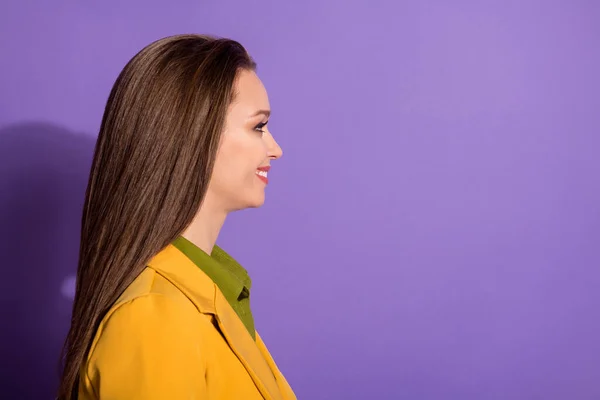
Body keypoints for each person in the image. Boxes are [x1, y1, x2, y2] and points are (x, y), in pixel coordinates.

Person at [57, 34, 296, 400]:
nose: (275, 149)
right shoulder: (154, 318)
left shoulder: (203, 293)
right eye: (258, 127)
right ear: (194, 135)